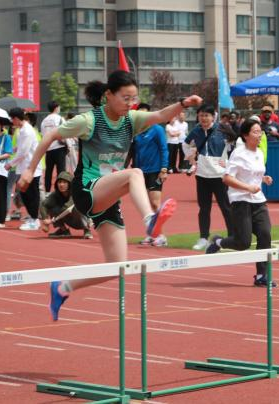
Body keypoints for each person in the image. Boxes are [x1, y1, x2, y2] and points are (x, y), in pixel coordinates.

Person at [18, 70, 200, 321]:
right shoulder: (88, 121)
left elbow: (160, 115)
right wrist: (30, 170)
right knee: (134, 173)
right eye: (125, 98)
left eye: (134, 99)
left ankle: (63, 287)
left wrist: (183, 104)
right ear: (108, 95)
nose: (130, 104)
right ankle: (150, 220)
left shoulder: (131, 119)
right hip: (87, 189)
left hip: (108, 197)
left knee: (117, 266)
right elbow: (50, 135)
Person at [205, 119, 275, 287]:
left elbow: (253, 174)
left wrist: (263, 179)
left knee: (265, 234)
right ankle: (219, 242)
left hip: (259, 201)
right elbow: (227, 178)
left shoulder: (259, 153)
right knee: (243, 242)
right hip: (241, 201)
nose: (259, 135)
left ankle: (262, 275)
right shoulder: (238, 153)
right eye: (255, 132)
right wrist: (248, 188)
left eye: (260, 132)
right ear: (245, 135)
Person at [184, 104, 233, 251]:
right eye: (201, 115)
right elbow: (185, 144)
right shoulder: (196, 130)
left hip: (219, 175)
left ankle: (232, 237)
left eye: (206, 115)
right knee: (204, 208)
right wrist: (191, 158)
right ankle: (203, 238)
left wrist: (228, 162)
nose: (203, 118)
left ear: (213, 116)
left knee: (226, 207)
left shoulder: (223, 129)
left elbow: (236, 145)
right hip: (202, 175)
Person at [132, 103, 169, 247]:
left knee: (155, 204)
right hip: (140, 172)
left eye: (145, 114)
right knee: (147, 205)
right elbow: (133, 152)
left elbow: (164, 148)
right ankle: (151, 234)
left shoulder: (157, 129)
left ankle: (161, 236)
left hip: (155, 171)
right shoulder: (136, 132)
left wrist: (164, 169)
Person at [6, 108, 43, 230]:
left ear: (16, 118)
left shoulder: (27, 131)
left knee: (31, 193)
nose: (11, 121)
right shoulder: (21, 130)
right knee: (25, 193)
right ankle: (33, 217)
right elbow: (20, 147)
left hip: (31, 168)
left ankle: (35, 220)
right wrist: (12, 150)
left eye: (12, 119)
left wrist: (10, 164)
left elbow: (23, 152)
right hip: (25, 167)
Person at [40, 171, 92, 239]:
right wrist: (45, 220)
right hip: (68, 218)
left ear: (70, 184)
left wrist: (51, 221)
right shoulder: (55, 194)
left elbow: (67, 208)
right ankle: (64, 230)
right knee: (51, 207)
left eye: (64, 182)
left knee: (76, 208)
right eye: (59, 182)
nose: (61, 185)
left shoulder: (75, 193)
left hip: (81, 220)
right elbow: (44, 205)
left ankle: (87, 230)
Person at [41, 101, 67, 193]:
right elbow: (65, 132)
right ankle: (60, 192)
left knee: (48, 172)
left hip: (48, 149)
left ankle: (47, 192)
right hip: (59, 148)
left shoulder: (44, 121)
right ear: (56, 108)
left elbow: (43, 135)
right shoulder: (60, 118)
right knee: (61, 172)